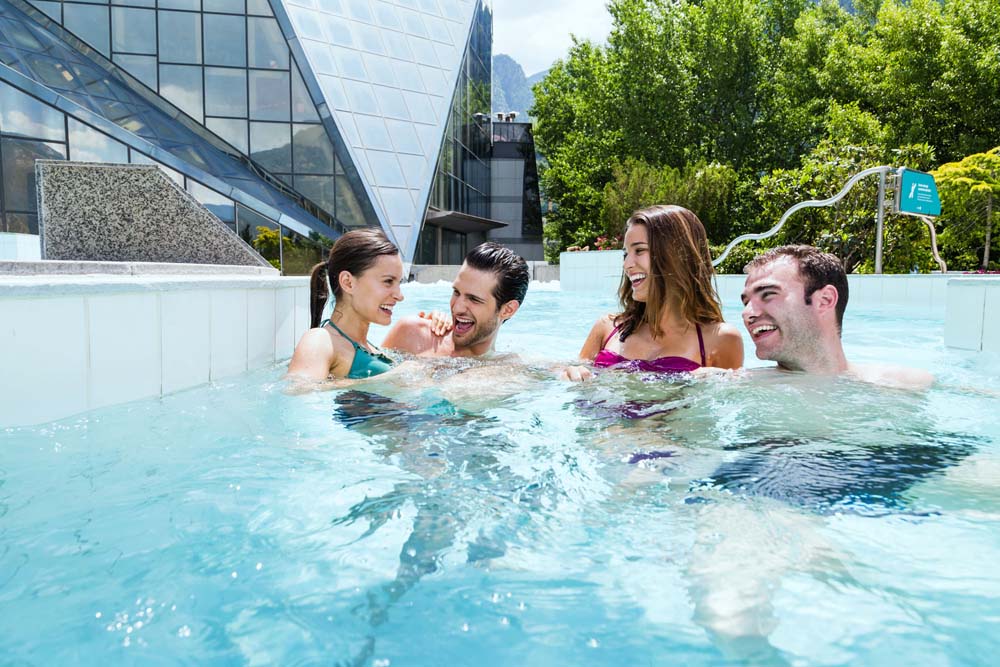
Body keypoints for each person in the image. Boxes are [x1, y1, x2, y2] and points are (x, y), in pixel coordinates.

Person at [563, 205, 744, 380]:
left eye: (639, 250)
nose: (627, 264)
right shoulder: (608, 328)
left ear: (676, 255)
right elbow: (569, 376)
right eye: (626, 254)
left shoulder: (720, 339)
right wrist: (569, 373)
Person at [740, 244, 933, 389]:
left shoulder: (905, 386)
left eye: (768, 294)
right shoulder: (739, 386)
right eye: (746, 302)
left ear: (825, 300)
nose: (747, 313)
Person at [286, 228, 404, 381]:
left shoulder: (369, 348)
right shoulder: (320, 340)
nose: (400, 296)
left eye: (399, 283)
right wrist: (391, 377)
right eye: (388, 281)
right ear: (348, 283)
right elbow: (299, 390)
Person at [381, 241, 530, 358]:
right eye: (456, 292)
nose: (457, 308)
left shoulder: (506, 372)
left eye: (474, 299)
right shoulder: (413, 334)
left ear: (508, 310)